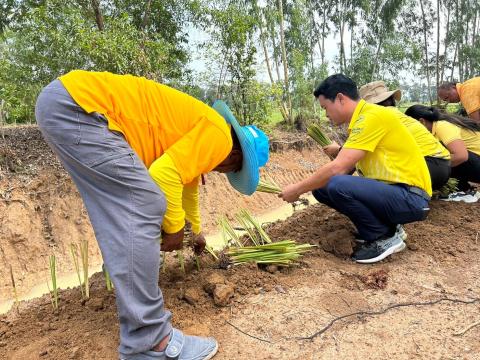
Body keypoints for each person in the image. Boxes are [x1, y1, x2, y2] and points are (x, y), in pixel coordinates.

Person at [35, 70, 269, 360]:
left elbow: (187, 187)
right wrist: (173, 231)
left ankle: (123, 279)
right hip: (82, 109)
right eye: (233, 170)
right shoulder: (220, 138)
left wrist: (194, 231)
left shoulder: (206, 128)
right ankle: (150, 342)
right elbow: (163, 174)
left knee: (121, 206)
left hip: (67, 103)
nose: (224, 172)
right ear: (236, 156)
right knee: (146, 201)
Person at [279, 74, 431, 264]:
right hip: (399, 195)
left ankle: (383, 237)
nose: (326, 114)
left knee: (336, 183)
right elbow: (345, 169)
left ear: (341, 98)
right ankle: (386, 227)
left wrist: (297, 189)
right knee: (323, 188)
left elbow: (338, 170)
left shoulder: (371, 116)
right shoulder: (362, 120)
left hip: (412, 197)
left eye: (325, 107)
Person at [357, 81, 451, 190]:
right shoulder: (398, 115)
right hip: (444, 167)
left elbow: (360, 150)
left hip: (426, 168)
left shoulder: (377, 117)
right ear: (392, 100)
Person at [405, 105, 480, 202]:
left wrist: (431, 168)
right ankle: (465, 189)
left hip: (475, 162)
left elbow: (461, 156)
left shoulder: (442, 126)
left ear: (422, 122)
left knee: (440, 155)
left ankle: (464, 190)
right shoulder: (435, 129)